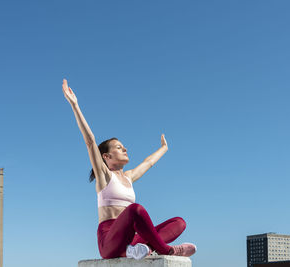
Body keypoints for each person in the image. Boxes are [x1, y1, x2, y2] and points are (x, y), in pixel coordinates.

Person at [62, 79, 196, 260]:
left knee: (179, 223)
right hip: (109, 241)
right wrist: (75, 105)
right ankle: (165, 250)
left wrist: (164, 148)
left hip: (132, 240)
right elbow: (90, 140)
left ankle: (140, 250)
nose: (124, 149)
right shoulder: (104, 177)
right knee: (135, 210)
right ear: (106, 157)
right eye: (118, 147)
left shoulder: (128, 177)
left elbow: (148, 163)